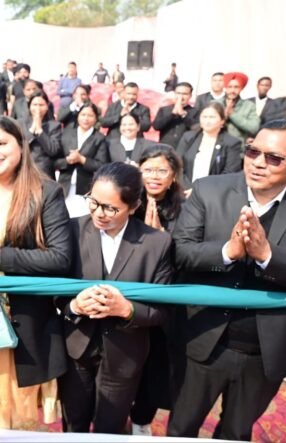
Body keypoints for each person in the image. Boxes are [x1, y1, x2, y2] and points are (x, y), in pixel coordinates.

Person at [167, 119, 286, 440]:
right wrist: (228, 251)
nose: (258, 163)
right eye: (253, 151)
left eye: (273, 158)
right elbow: (181, 252)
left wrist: (267, 256)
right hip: (201, 339)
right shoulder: (208, 189)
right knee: (180, 428)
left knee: (236, 432)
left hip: (267, 351)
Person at [0, 115, 71, 429]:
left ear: (21, 145)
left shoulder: (45, 192)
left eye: (0, 143)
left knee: (1, 421)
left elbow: (61, 258)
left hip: (23, 323)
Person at [57, 162, 173, 434]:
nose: (99, 213)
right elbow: (53, 290)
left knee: (110, 428)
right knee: (73, 424)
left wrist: (127, 309)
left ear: (133, 206)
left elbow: (163, 310)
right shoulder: (71, 231)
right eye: (94, 202)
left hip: (125, 352)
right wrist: (74, 305)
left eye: (111, 208)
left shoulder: (157, 243)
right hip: (76, 347)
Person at [130, 144, 185, 435]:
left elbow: (189, 256)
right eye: (148, 169)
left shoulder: (186, 210)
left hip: (164, 299)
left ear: (173, 175)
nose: (154, 176)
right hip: (129, 292)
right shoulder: (127, 201)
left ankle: (141, 420)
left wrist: (163, 240)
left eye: (161, 170)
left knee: (155, 365)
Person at [176, 101, 243, 188]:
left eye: (212, 117)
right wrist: (187, 188)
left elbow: (229, 174)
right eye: (204, 117)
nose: (207, 121)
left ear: (222, 121)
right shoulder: (188, 137)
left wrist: (200, 191)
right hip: (185, 189)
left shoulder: (231, 143)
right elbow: (177, 166)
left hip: (213, 192)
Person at [56, 102, 109, 197]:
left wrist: (81, 159)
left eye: (90, 115)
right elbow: (55, 161)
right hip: (64, 185)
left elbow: (101, 165)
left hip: (85, 186)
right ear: (78, 116)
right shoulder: (66, 134)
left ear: (96, 118)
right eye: (83, 115)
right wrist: (67, 160)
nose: (86, 118)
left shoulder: (99, 138)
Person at [19, 90, 62, 178]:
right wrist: (32, 130)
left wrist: (40, 131)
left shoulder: (54, 126)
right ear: (29, 106)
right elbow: (19, 146)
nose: (38, 108)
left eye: (41, 105)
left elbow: (53, 150)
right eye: (35, 105)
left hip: (44, 171)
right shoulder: (20, 123)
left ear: (47, 106)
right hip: (23, 169)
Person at [152, 82, 199, 149]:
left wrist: (183, 114)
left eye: (184, 94)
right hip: (164, 147)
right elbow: (156, 126)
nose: (181, 97)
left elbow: (196, 128)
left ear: (190, 95)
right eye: (178, 93)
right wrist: (172, 114)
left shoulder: (196, 111)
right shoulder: (164, 109)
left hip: (185, 148)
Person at [221, 72, 260, 141]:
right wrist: (224, 117)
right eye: (229, 87)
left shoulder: (249, 106)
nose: (232, 90)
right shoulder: (215, 103)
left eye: (236, 87)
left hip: (238, 145)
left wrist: (232, 114)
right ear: (225, 88)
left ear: (241, 88)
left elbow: (254, 128)